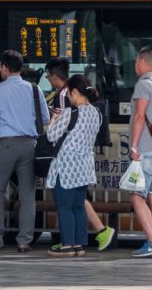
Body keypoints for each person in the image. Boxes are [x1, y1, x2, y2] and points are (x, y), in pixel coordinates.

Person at [45, 58, 116, 251]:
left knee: (65, 207)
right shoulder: (96, 114)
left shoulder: (70, 113)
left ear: (75, 92)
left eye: (69, 94)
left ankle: (67, 244)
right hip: (83, 167)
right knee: (78, 207)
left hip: (66, 167)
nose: (68, 97)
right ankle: (79, 244)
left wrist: (53, 120)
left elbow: (51, 135)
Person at [0, 50, 50, 253]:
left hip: (6, 145)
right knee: (28, 194)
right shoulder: (34, 89)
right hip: (30, 145)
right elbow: (46, 119)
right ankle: (24, 241)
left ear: (4, 67)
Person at [128, 45, 152, 258]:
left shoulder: (143, 85)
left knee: (136, 196)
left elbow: (140, 116)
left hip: (145, 149)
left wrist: (133, 145)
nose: (135, 65)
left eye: (136, 61)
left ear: (142, 62)